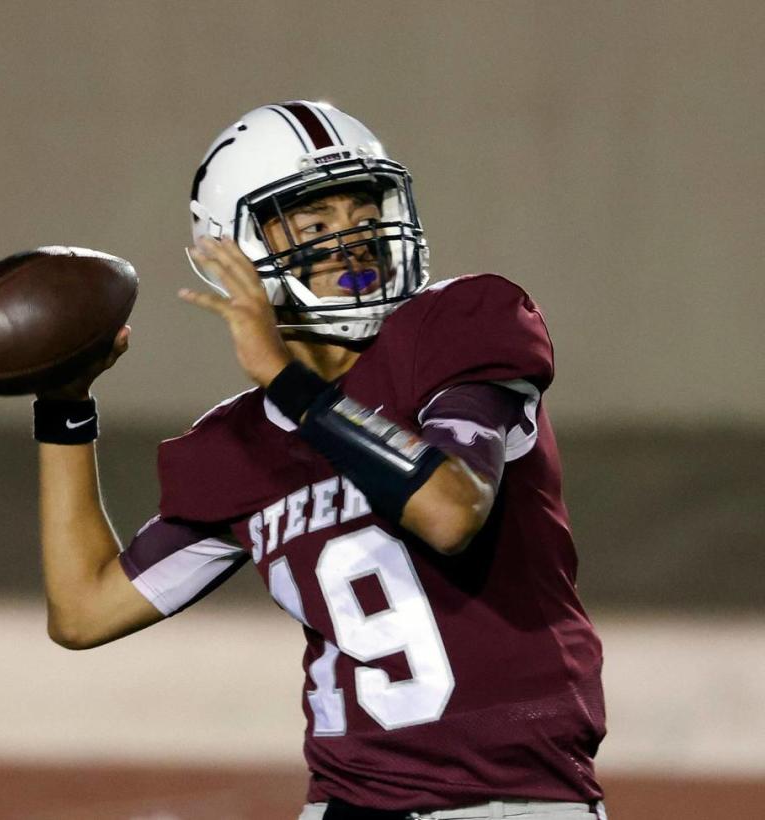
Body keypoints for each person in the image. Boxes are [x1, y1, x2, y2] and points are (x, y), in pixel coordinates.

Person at [33, 101, 607, 820]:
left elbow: (451, 509)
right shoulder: (235, 445)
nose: (354, 242)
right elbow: (83, 612)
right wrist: (63, 407)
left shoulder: (459, 325)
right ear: (233, 248)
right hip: (348, 800)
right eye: (315, 225)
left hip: (511, 802)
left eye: (363, 215)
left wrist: (289, 383)